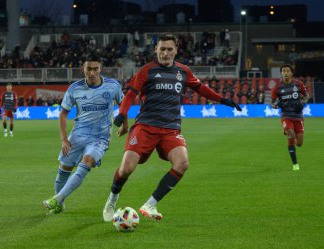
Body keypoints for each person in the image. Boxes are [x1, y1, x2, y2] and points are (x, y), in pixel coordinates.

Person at [102, 33, 242, 222]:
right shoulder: (147, 70)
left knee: (182, 163)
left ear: (176, 50)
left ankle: (150, 204)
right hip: (145, 126)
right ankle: (112, 199)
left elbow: (201, 88)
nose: (165, 53)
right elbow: (130, 93)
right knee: (126, 169)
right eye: (162, 49)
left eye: (169, 49)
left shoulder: (183, 71)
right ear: (156, 50)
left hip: (170, 129)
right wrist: (122, 113)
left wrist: (223, 99)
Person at [42, 56, 124, 215]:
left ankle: (57, 198)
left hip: (100, 137)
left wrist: (125, 124)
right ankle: (60, 204)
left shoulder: (112, 86)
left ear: (100, 69)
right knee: (64, 170)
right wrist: (64, 140)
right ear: (83, 69)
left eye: (95, 69)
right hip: (77, 135)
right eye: (89, 69)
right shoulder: (75, 88)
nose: (92, 72)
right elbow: (63, 114)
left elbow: (123, 104)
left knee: (86, 163)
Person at [270, 64, 310, 171]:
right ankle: (295, 165)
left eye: (287, 71)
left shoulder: (298, 84)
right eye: (283, 71)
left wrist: (303, 103)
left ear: (291, 73)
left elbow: (307, 96)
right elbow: (272, 104)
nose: (285, 73)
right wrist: (277, 106)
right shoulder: (277, 88)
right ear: (281, 73)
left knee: (300, 143)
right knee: (290, 134)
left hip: (298, 116)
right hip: (286, 116)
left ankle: (291, 137)